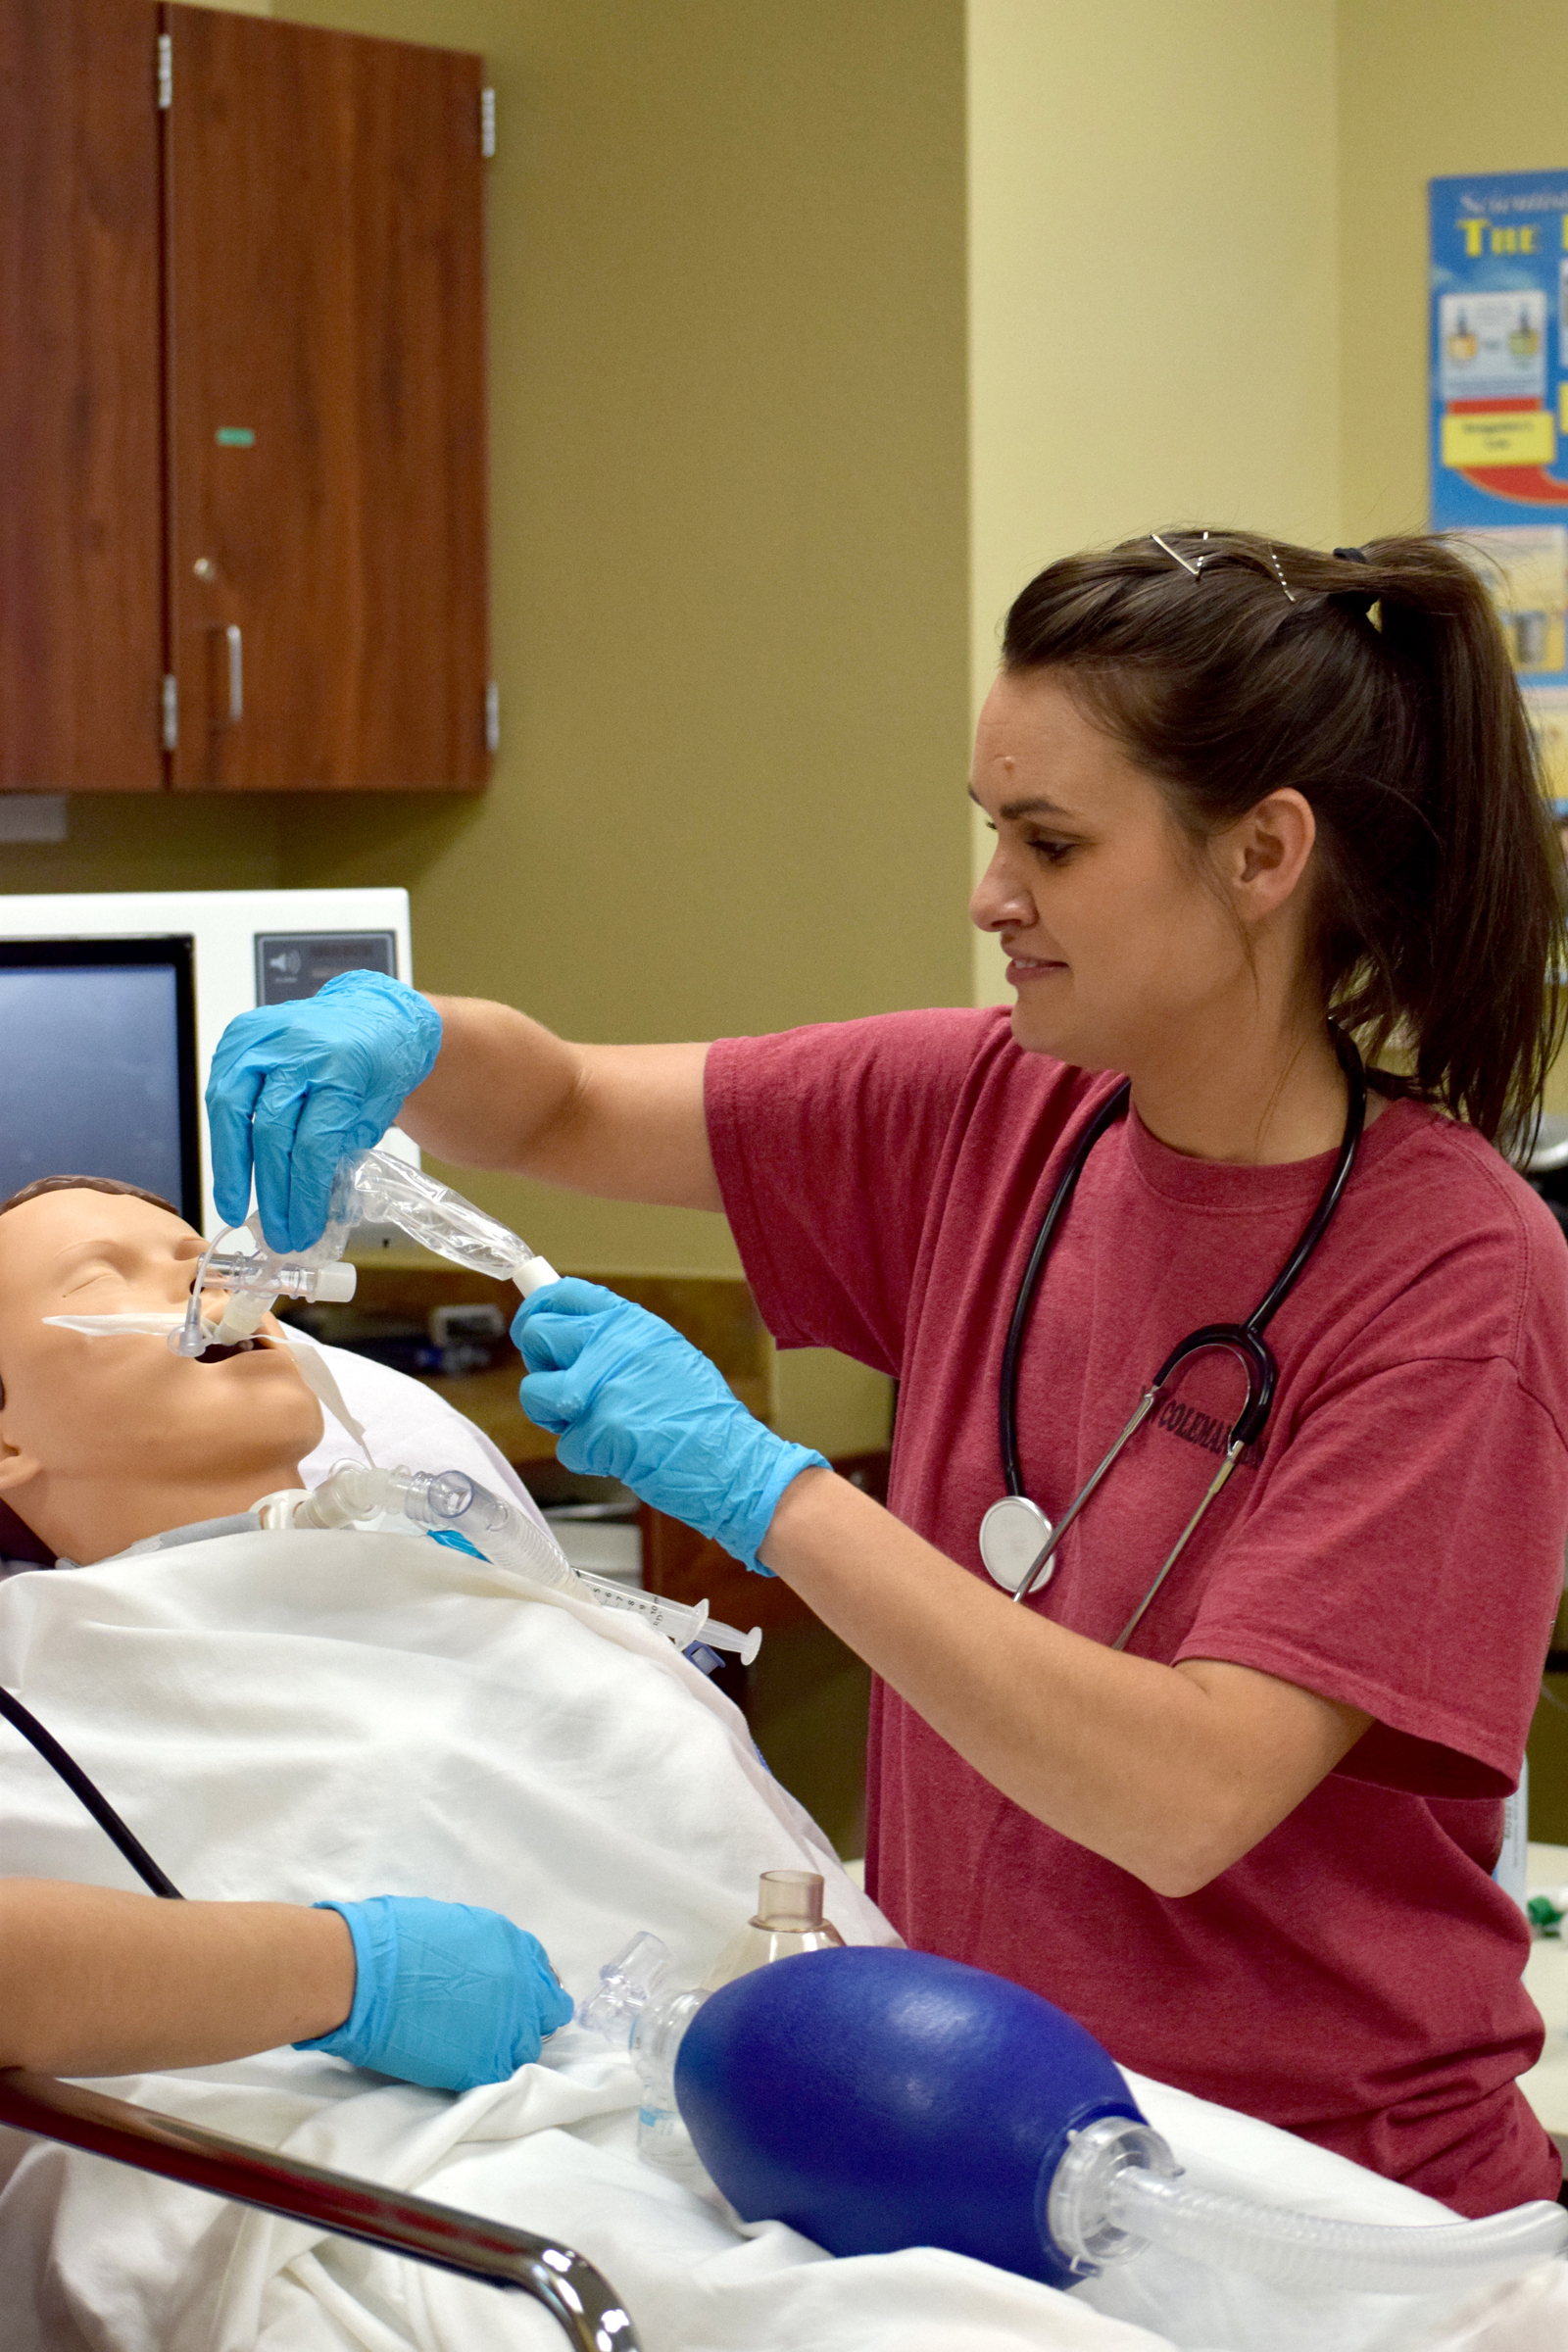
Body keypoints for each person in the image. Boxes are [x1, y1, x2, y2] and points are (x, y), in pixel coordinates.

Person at [207, 529, 1568, 2219]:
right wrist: (398, 1035)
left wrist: (767, 1494)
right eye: (992, 830)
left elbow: (1183, 1796)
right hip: (966, 2127)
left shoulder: (1452, 1269)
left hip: (1308, 2203)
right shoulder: (992, 1110)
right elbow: (556, 1107)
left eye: (1051, 844)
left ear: (1264, 854)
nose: (992, 895)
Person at [0, 1175, 572, 2092]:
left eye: (199, 1258)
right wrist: (348, 1976)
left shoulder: (442, 1578)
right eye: (101, 1278)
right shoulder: (37, 1697)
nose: (211, 1286)